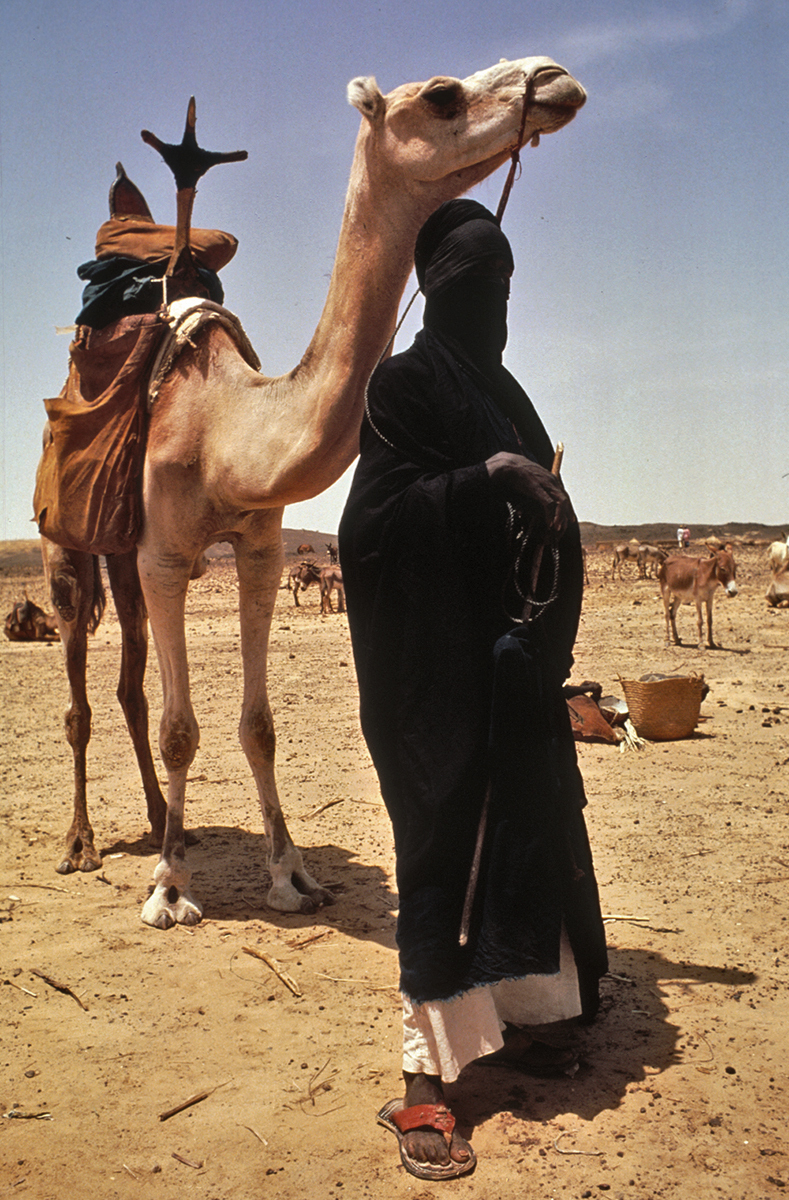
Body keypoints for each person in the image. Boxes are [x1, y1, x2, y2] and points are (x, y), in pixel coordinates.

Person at [338, 199, 607, 1181]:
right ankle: (425, 1084)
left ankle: (527, 1020)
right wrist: (486, 480)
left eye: (505, 289)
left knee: (526, 845)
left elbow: (546, 510)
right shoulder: (401, 389)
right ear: (440, 293)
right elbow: (370, 531)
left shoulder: (509, 396)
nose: (494, 306)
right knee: (442, 862)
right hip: (429, 683)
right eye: (477, 289)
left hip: (507, 670)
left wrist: (542, 523)